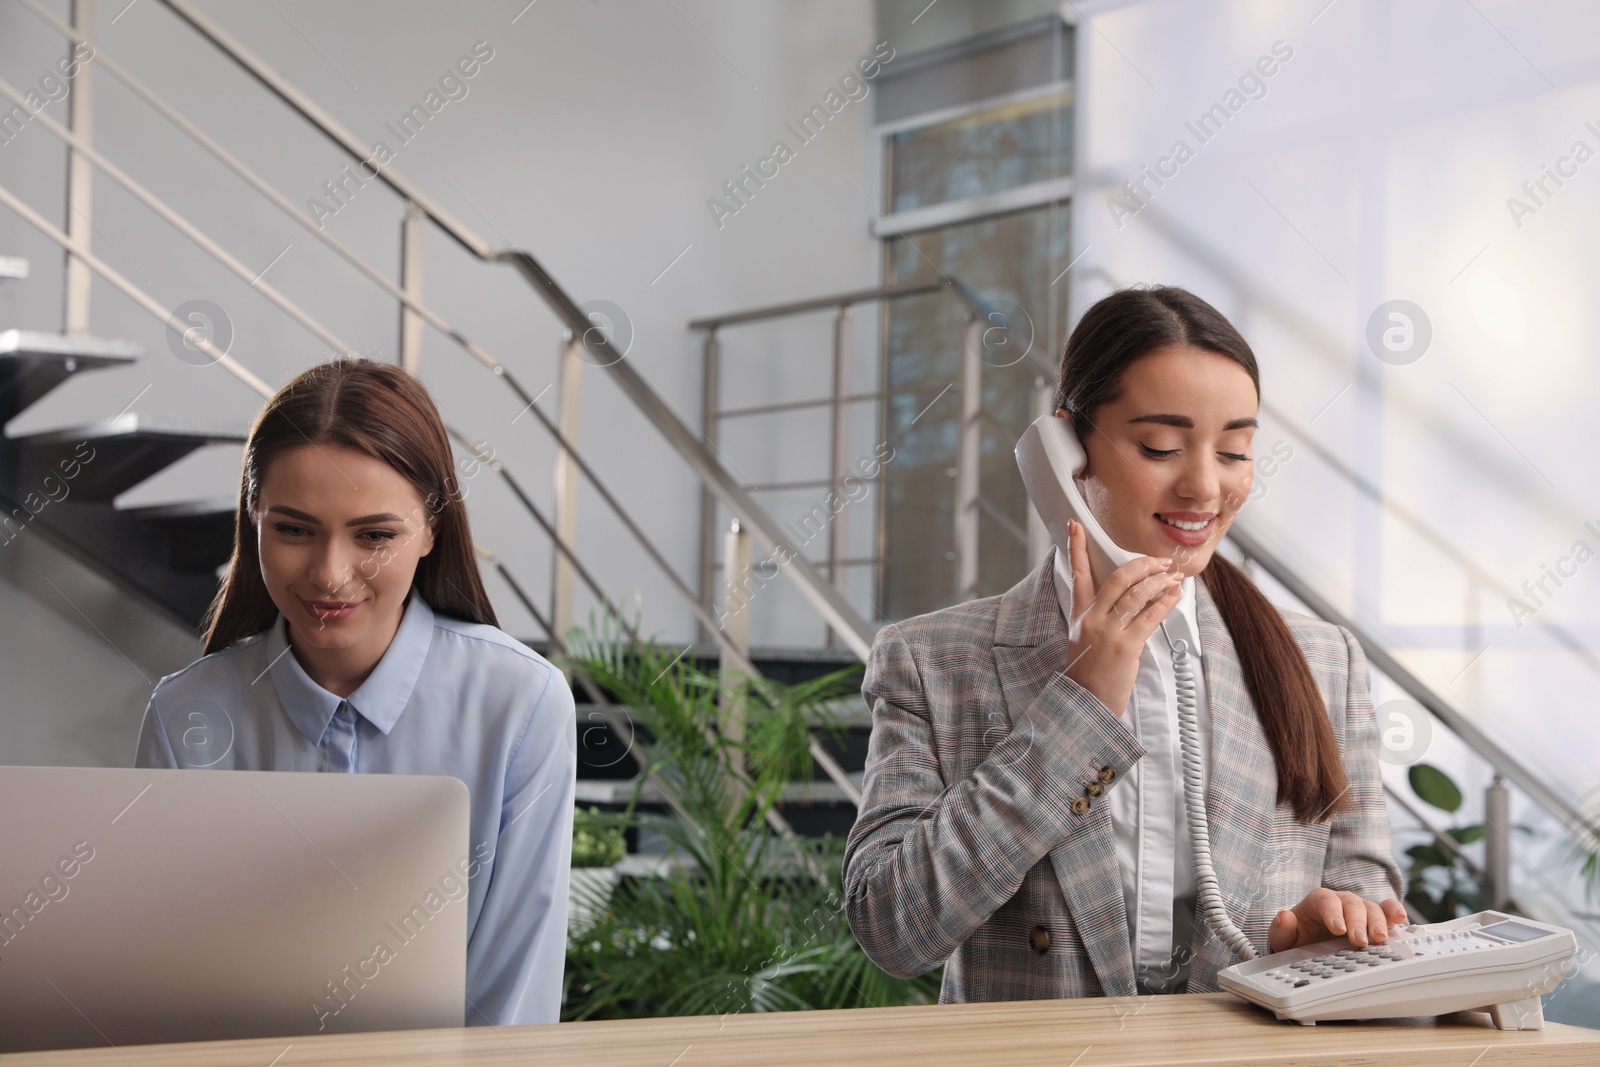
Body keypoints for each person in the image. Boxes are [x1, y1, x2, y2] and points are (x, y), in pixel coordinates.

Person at [842, 286, 1405, 1002]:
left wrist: (1338, 922)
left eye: (1235, 449)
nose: (1206, 485)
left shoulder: (1325, 660)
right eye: (1160, 446)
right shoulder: (932, 660)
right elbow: (892, 928)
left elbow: (1365, 882)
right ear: (1066, 450)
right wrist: (1079, 707)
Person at [135, 358, 576, 1026]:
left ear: (431, 528)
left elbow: (511, 1004)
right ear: (253, 519)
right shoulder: (184, 714)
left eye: (374, 535)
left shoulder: (521, 704)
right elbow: (159, 984)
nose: (330, 574)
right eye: (293, 529)